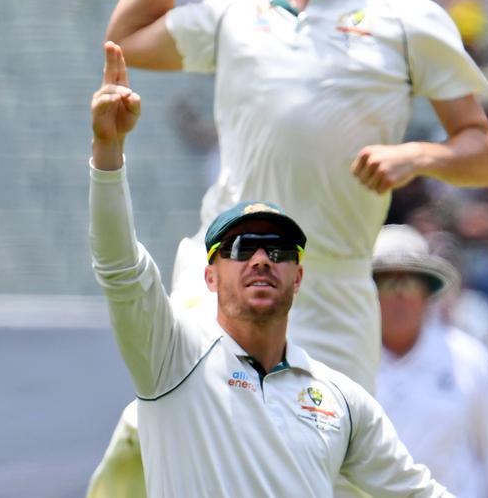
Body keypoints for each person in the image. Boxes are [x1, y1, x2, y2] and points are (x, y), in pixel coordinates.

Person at [91, 0, 488, 494]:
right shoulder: (238, 5)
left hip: (332, 285)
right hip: (224, 268)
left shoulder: (410, 18)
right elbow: (130, 38)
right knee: (153, 431)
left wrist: (418, 156)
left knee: (339, 476)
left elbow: (481, 152)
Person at [89, 41, 455, 498]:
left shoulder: (340, 398)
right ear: (210, 276)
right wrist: (108, 154)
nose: (262, 259)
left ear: (298, 278)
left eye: (280, 251)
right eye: (242, 248)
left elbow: (420, 494)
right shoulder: (171, 358)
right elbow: (120, 267)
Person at [372, 224, 488, 498]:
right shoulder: (345, 366)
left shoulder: (471, 361)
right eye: (388, 283)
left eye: (411, 283)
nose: (400, 296)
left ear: (427, 293)